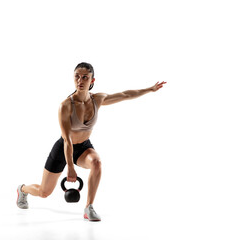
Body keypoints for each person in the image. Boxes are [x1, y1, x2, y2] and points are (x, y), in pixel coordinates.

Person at [16, 62, 166, 221]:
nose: (80, 81)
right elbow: (67, 139)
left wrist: (150, 89)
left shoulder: (98, 99)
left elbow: (125, 94)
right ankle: (23, 189)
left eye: (85, 77)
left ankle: (89, 207)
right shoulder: (66, 106)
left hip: (83, 147)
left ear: (92, 81)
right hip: (63, 148)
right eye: (77, 77)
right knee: (44, 193)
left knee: (96, 163)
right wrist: (71, 168)